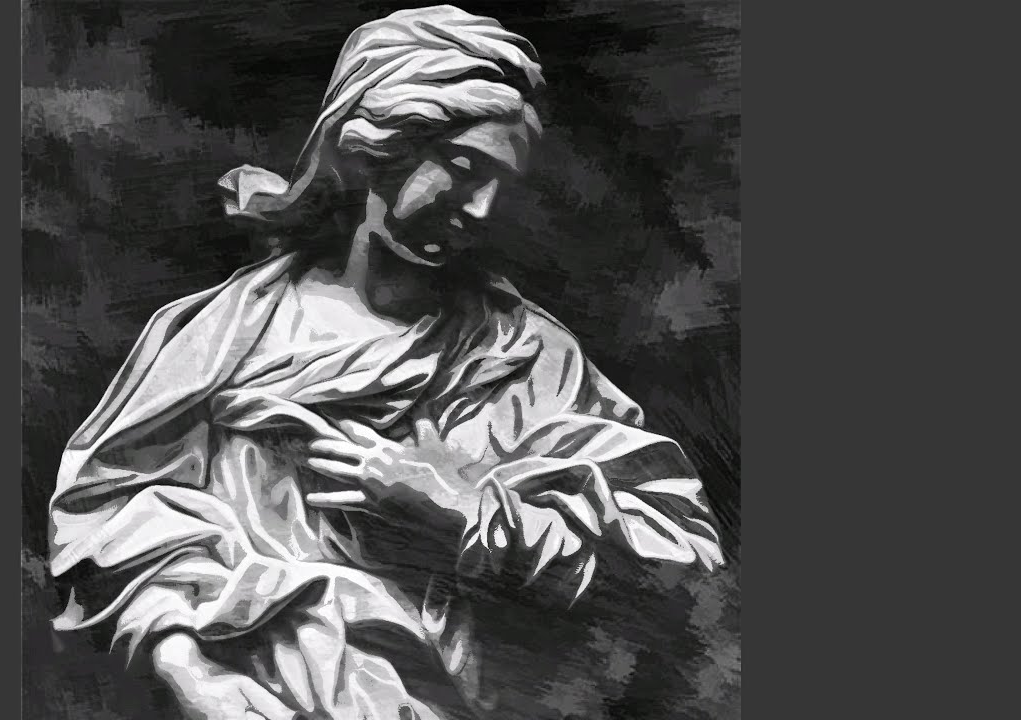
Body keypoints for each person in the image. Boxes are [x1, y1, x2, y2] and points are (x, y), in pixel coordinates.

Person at [47, 6, 724, 719]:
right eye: (463, 167)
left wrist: (460, 511)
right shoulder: (223, 333)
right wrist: (188, 668)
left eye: (504, 185)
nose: (482, 209)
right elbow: (110, 517)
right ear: (376, 146)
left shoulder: (523, 358)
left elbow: (678, 557)